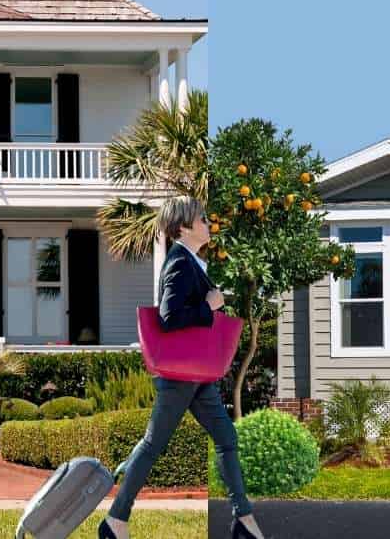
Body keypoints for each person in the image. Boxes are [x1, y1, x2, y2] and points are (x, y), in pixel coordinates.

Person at [100, 195, 264, 539]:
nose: (208, 223)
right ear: (184, 227)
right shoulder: (179, 261)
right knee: (153, 444)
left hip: (197, 374)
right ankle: (116, 520)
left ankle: (243, 519)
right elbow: (169, 316)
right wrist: (209, 306)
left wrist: (209, 303)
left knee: (226, 437)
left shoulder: (192, 261)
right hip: (179, 377)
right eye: (202, 219)